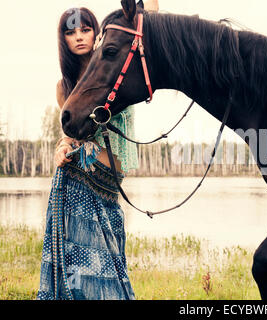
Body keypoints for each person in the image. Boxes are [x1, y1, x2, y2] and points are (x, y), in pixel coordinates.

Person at [37, 1, 159, 300]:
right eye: (71, 32)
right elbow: (69, 136)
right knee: (83, 266)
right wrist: (62, 147)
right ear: (63, 39)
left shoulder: (118, 69)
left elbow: (151, 21)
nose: (79, 36)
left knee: (111, 261)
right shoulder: (64, 87)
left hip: (109, 186)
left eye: (86, 29)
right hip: (77, 181)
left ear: (97, 34)